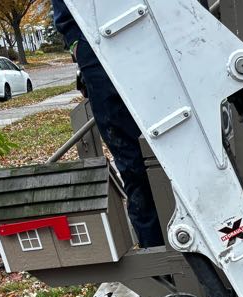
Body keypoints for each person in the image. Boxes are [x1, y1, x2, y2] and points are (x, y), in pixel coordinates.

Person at [52, 0, 164, 248]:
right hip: (95, 42)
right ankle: (162, 262)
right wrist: (78, 44)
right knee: (135, 167)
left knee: (187, 147)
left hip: (159, 28)